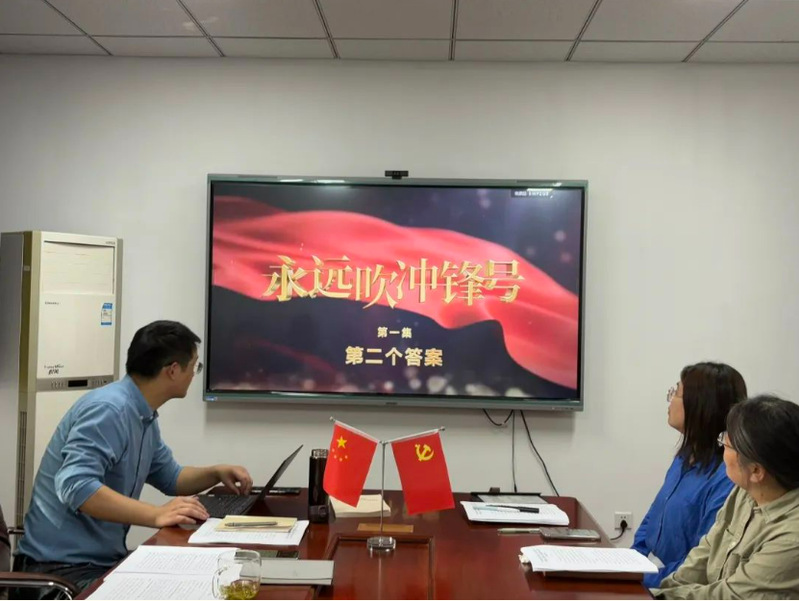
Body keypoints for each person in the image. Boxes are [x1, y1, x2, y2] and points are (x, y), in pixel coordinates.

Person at [14, 320, 253, 596]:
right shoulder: (109, 409)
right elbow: (76, 486)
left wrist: (215, 472)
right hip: (58, 573)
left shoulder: (142, 414)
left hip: (97, 563)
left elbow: (171, 477)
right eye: (194, 366)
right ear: (173, 370)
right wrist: (155, 514)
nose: (193, 374)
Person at [656, 395, 799, 599]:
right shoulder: (746, 491)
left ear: (756, 471)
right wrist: (662, 592)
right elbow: (705, 552)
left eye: (727, 442)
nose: (721, 443)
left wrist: (661, 597)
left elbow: (729, 595)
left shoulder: (791, 538)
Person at [633, 362, 747, 588]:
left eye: (676, 392)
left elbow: (702, 562)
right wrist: (632, 561)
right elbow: (652, 518)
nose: (670, 400)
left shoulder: (726, 477)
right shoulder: (685, 456)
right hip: (648, 572)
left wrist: (642, 578)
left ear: (700, 405)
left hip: (677, 586)